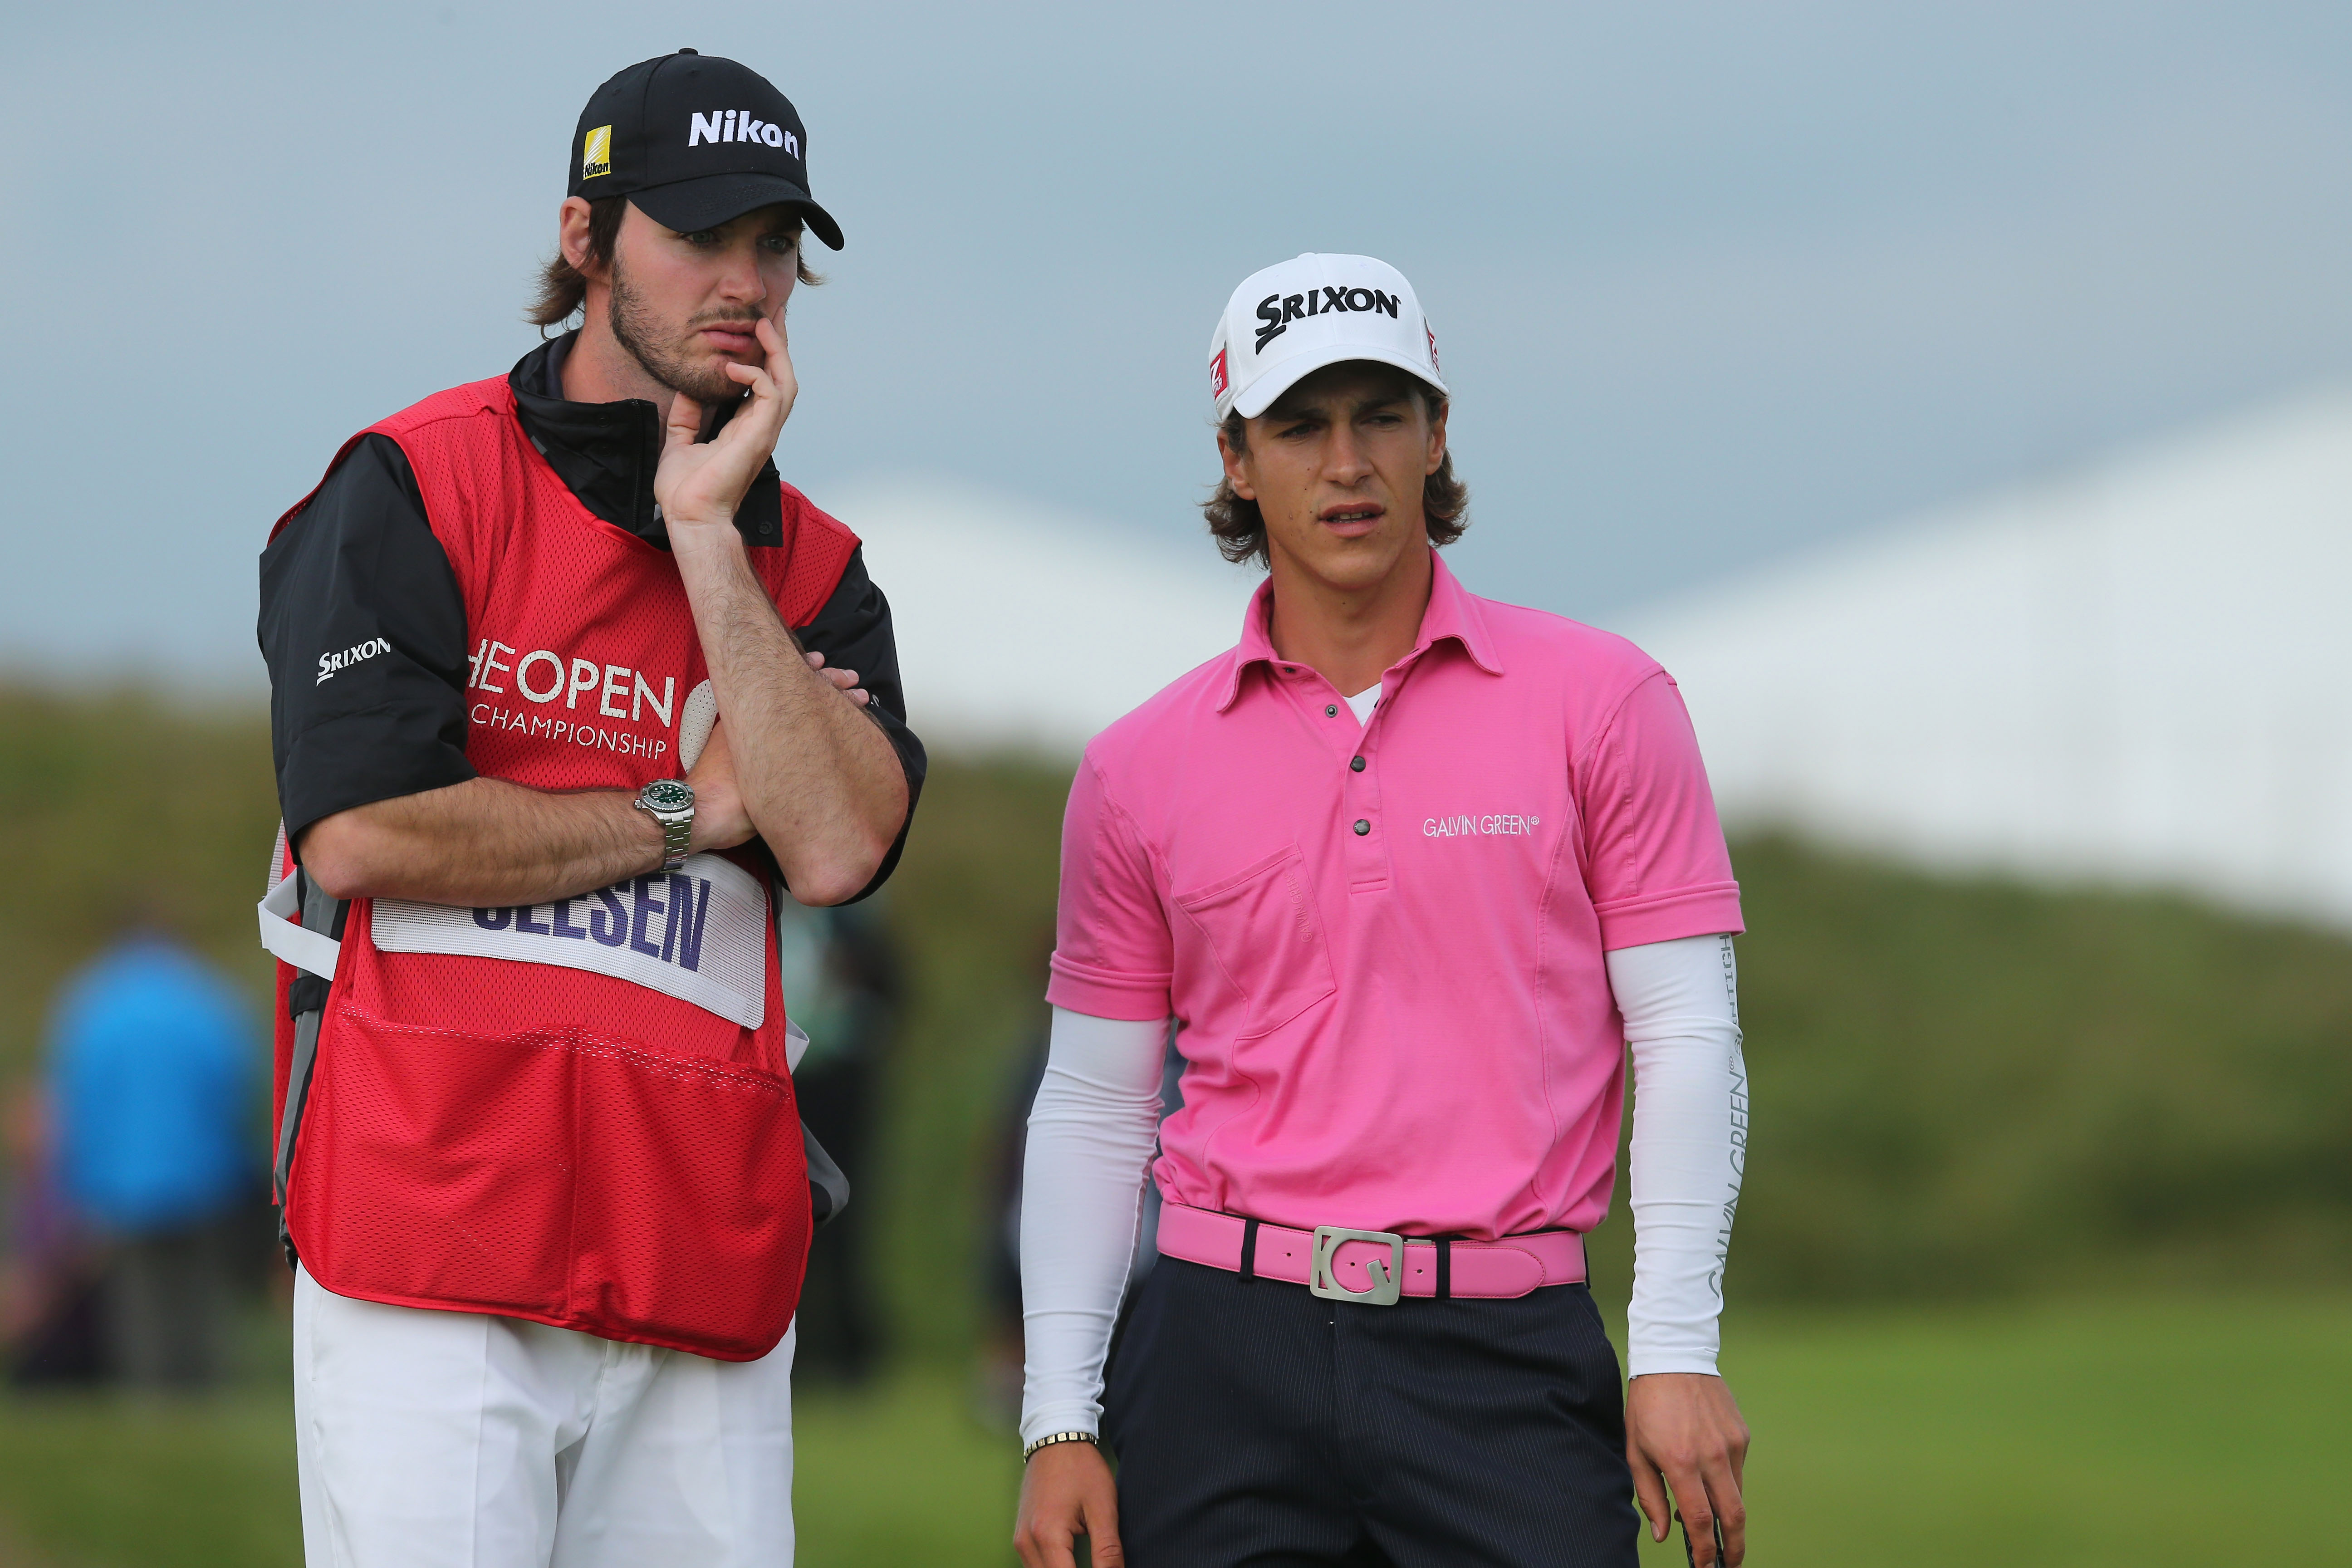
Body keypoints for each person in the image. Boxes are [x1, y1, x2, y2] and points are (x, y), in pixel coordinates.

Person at [255, 50, 923, 1568]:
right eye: (700, 235)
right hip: (426, 1255)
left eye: (774, 243)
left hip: (702, 1270)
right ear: (585, 238)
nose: (745, 281)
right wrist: (687, 810)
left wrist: (707, 536)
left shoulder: (815, 568)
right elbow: (364, 828)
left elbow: (834, 844)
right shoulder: (413, 483)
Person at [1013, 255, 1753, 1568]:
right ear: (1238, 460)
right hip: (1220, 1352)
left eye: (1381, 415)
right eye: (1301, 425)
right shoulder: (1137, 766)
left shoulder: (1604, 702)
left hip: (1503, 1352)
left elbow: (1687, 1033)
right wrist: (1059, 1417)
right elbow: (1094, 1105)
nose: (1346, 462)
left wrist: (1675, 1347)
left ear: (1437, 433)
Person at [44, 924, 260, 1391]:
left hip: (122, 1182)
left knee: (137, 1302)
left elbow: (76, 1100)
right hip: (202, 1175)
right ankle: (201, 1393)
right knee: (197, 1294)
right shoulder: (206, 999)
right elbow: (236, 1085)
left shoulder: (94, 1003)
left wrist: (79, 1179)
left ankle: (149, 1395)